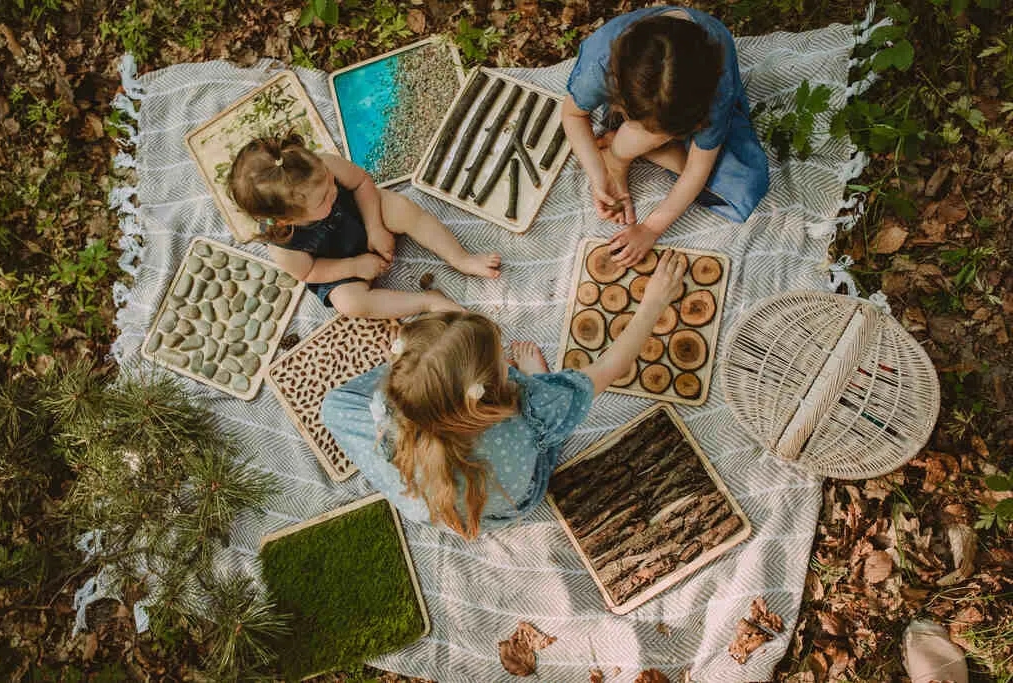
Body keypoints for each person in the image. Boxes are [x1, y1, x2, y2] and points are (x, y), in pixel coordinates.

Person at [322, 250, 690, 539]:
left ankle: (428, 361)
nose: (506, 360)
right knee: (545, 429)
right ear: (484, 390)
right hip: (512, 500)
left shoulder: (393, 407)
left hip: (442, 504)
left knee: (334, 406)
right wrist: (654, 303)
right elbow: (610, 368)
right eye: (501, 360)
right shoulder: (534, 404)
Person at [561, 7, 769, 267]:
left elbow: (697, 169)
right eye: (654, 134)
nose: (660, 138)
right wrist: (599, 176)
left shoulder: (717, 85)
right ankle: (619, 152)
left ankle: (624, 144)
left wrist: (651, 229)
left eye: (664, 136)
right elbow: (572, 115)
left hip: (688, 111)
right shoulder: (601, 64)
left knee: (745, 185)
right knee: (689, 174)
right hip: (639, 112)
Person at [227, 134, 501, 318]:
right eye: (323, 198)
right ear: (288, 219)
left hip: (362, 213)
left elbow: (360, 183)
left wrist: (375, 228)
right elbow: (310, 271)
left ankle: (461, 258)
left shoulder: (324, 164)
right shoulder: (282, 244)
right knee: (350, 304)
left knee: (403, 209)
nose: (333, 191)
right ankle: (428, 302)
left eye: (329, 182)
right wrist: (356, 266)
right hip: (336, 260)